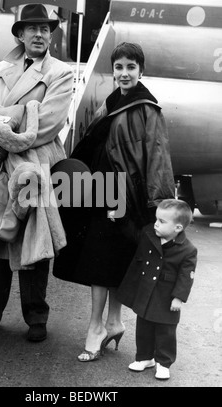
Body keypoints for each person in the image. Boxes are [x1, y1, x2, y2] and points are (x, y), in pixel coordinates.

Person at [0, 4, 74, 342]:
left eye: (45, 28)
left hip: (35, 164)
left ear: (51, 34)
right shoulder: (2, 68)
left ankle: (36, 314)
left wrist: (1, 125)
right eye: (32, 28)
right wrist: (9, 123)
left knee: (33, 238)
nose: (39, 34)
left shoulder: (61, 73)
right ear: (20, 34)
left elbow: (47, 125)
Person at [53, 42, 176, 361]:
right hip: (102, 193)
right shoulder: (110, 102)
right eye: (119, 67)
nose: (124, 73)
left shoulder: (148, 109)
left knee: (103, 263)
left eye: (131, 67)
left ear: (141, 71)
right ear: (113, 70)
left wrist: (159, 207)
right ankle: (111, 322)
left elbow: (159, 159)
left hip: (126, 200)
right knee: (107, 263)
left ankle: (98, 327)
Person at [117, 199, 198, 380]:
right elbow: (134, 242)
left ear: (178, 228)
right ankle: (144, 357)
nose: (156, 224)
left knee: (165, 332)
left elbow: (187, 276)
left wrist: (179, 297)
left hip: (167, 297)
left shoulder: (188, 250)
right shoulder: (149, 235)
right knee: (143, 327)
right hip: (147, 291)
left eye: (162, 221)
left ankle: (164, 363)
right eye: (156, 219)